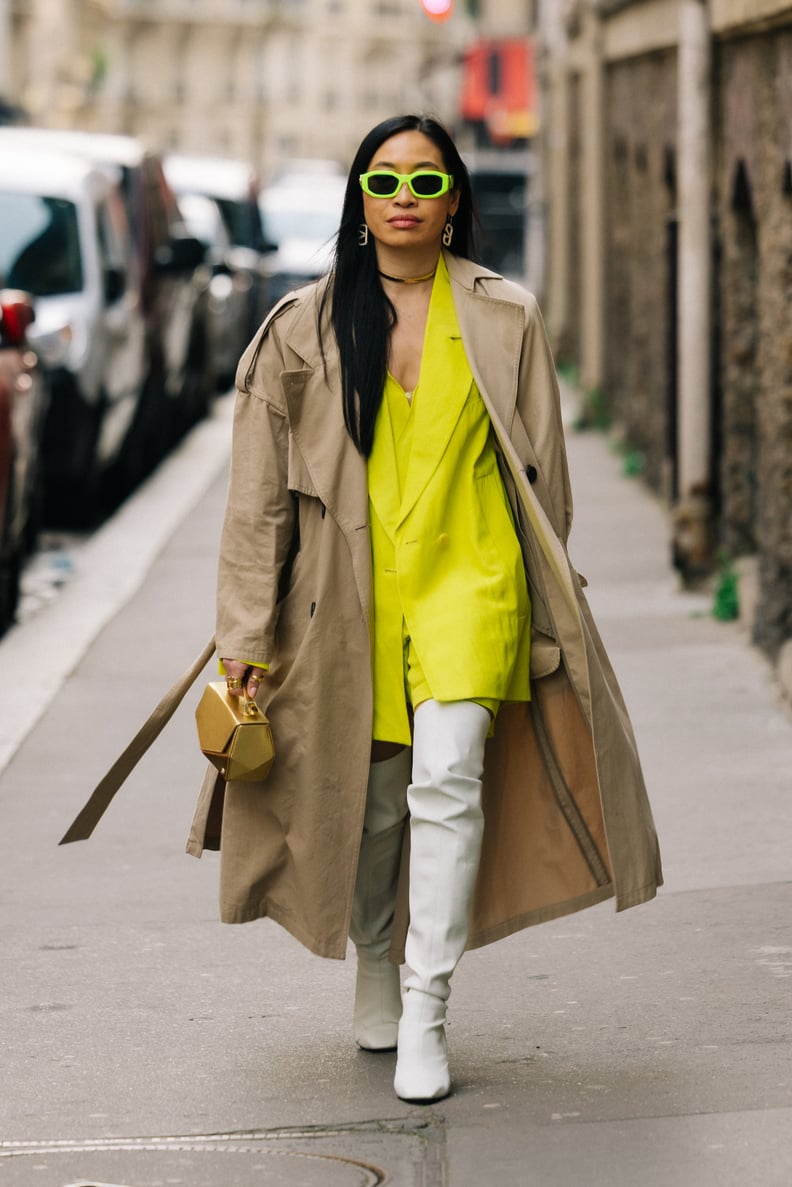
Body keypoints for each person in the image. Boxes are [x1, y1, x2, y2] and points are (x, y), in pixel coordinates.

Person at [187, 114, 662, 1104]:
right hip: (343, 602)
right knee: (371, 807)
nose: (404, 197)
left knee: (448, 783)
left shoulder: (505, 316)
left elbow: (546, 487)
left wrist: (543, 615)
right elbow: (257, 498)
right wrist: (243, 638)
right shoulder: (300, 330)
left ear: (454, 203)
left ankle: (427, 1006)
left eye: (426, 181)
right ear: (360, 200)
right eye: (385, 180)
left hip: (471, 584)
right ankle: (374, 956)